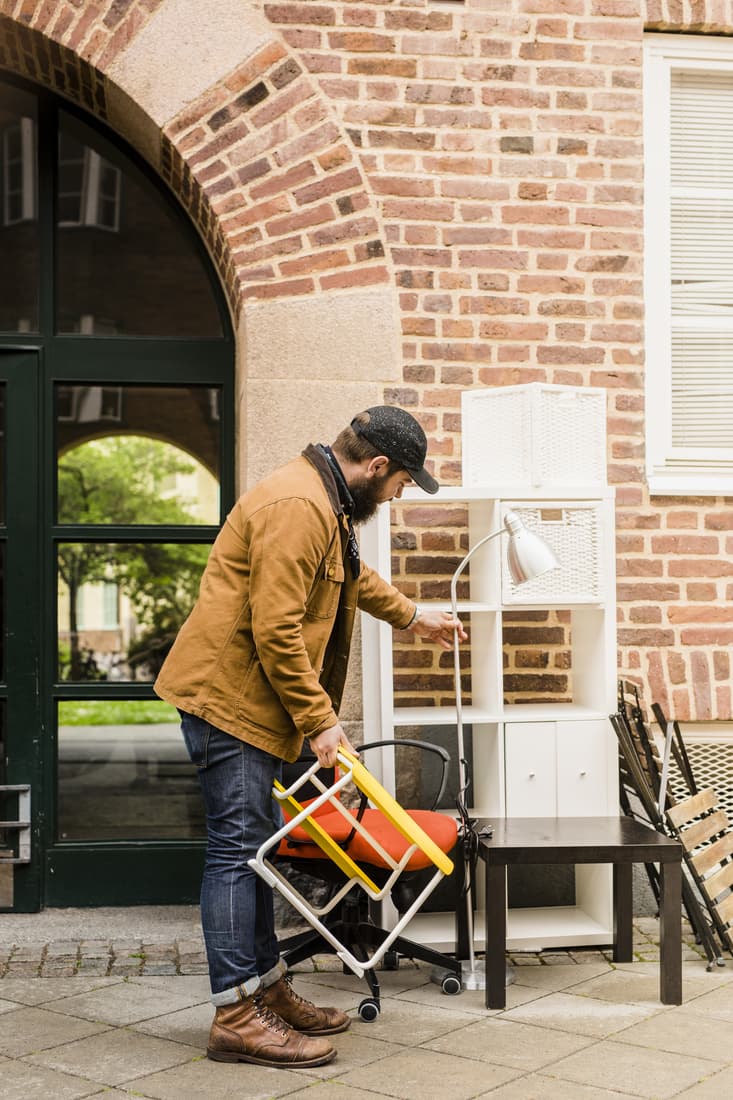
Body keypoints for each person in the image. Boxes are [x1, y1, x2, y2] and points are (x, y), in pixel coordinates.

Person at [154, 405, 467, 1069]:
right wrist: (320, 721)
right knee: (238, 853)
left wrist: (414, 618)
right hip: (228, 703)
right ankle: (237, 1016)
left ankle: (265, 992)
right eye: (402, 482)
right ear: (375, 466)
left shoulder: (325, 502)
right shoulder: (298, 506)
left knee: (253, 851)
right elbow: (276, 632)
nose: (400, 493)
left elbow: (352, 578)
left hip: (251, 704)